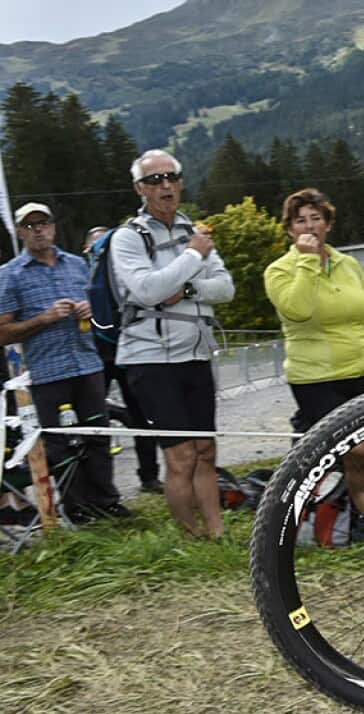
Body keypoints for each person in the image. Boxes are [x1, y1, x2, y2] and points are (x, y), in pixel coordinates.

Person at [264, 188, 364, 552]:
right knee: (354, 452)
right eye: (300, 220)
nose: (309, 226)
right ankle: (309, 525)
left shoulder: (349, 265)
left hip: (361, 372)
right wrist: (308, 262)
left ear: (328, 224)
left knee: (362, 453)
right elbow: (297, 310)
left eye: (316, 218)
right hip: (316, 378)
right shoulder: (279, 271)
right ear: (290, 229)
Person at [111, 149, 234, 539]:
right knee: (180, 457)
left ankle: (217, 533)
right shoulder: (128, 238)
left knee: (206, 451)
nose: (165, 185)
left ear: (180, 182)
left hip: (196, 354)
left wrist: (186, 289)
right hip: (150, 360)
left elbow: (225, 289)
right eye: (154, 180)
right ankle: (189, 537)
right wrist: (194, 256)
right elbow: (148, 290)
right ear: (139, 188)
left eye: (171, 177)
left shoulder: (192, 231)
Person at [0, 203, 127, 524]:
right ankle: (76, 508)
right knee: (58, 444)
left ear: (53, 227)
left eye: (43, 224)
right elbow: (3, 332)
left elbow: (102, 313)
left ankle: (107, 502)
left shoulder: (77, 264)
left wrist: (90, 311)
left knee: (98, 435)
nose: (38, 231)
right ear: (20, 232)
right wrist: (43, 318)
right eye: (30, 226)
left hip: (87, 364)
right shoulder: (10, 274)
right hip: (46, 372)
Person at [83, 225, 163, 494]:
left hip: (126, 352)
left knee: (142, 417)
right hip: (99, 355)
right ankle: (101, 487)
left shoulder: (122, 271)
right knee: (96, 418)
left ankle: (149, 476)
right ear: (88, 250)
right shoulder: (82, 274)